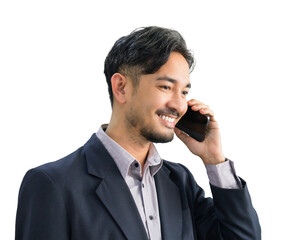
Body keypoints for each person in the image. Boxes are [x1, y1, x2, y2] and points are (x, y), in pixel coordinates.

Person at [15, 26, 261, 240]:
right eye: (166, 86)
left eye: (184, 92)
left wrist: (214, 160)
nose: (178, 105)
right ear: (121, 87)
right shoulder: (53, 185)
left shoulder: (179, 182)